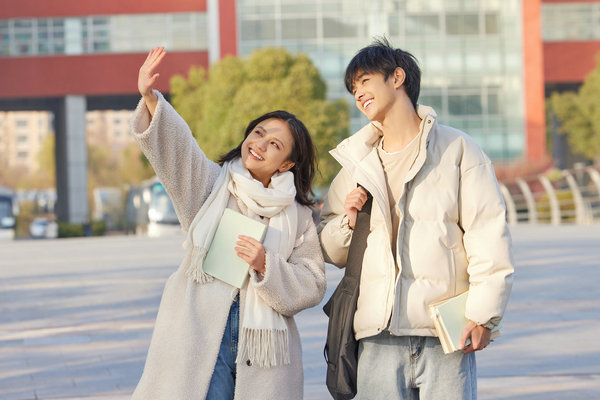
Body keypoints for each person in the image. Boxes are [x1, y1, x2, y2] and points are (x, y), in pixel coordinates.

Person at [318, 38, 514, 399]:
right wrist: (346, 221)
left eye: (364, 80)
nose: (358, 93)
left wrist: (485, 315)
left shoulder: (457, 149)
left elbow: (487, 234)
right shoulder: (356, 163)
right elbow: (330, 250)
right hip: (377, 337)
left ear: (397, 77)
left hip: (445, 334)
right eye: (353, 88)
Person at [130, 47, 326, 400]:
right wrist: (151, 99)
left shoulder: (297, 216)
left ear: (286, 165)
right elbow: (179, 149)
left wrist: (266, 264)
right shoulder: (211, 185)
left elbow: (312, 283)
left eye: (274, 144)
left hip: (265, 352)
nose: (260, 144)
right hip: (201, 334)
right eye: (258, 133)